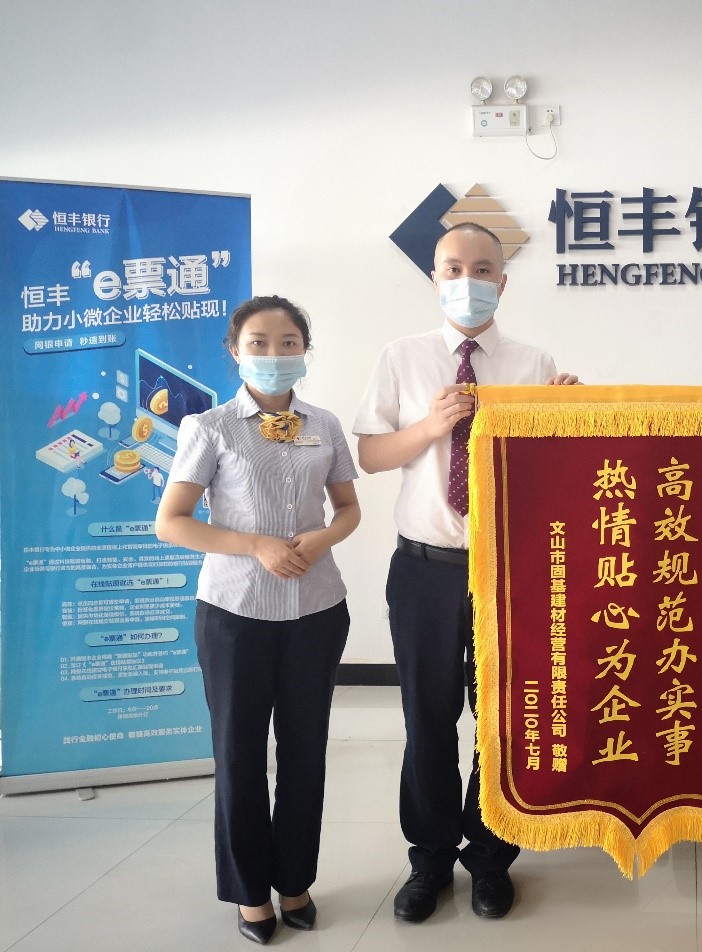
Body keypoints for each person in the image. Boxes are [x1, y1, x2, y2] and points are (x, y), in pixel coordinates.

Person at [354, 222, 577, 924]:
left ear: (503, 282)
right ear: (434, 277)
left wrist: (571, 418)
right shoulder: (403, 356)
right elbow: (370, 456)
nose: (467, 280)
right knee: (426, 717)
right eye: (453, 267)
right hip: (424, 568)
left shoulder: (534, 363)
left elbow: (556, 475)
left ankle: (489, 857)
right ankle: (428, 859)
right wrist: (429, 427)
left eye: (482, 269)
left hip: (510, 572)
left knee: (502, 719)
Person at [155, 295, 361, 945]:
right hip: (235, 614)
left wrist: (322, 539)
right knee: (240, 755)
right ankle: (249, 894)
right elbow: (172, 523)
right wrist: (255, 545)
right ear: (235, 351)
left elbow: (348, 509)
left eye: (288, 342)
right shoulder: (210, 427)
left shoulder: (325, 424)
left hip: (317, 610)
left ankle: (295, 880)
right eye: (259, 343)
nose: (275, 354)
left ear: (305, 350)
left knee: (305, 753)